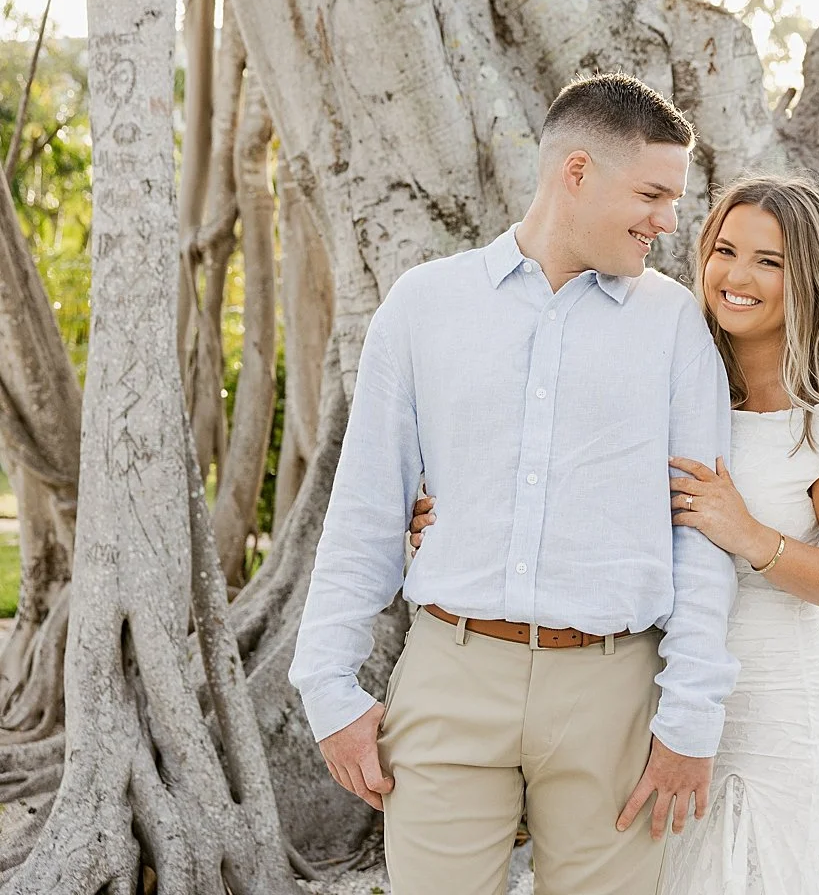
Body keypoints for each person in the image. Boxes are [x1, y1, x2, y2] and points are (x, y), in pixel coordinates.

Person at [289, 72, 740, 895]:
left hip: (615, 690)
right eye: (651, 193)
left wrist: (691, 718)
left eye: (674, 200)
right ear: (575, 172)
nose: (668, 222)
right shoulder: (425, 305)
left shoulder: (674, 324)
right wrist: (328, 686)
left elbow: (701, 533)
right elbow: (363, 508)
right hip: (451, 676)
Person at [412, 174, 819, 893]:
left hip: (766, 702)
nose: (736, 277)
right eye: (725, 251)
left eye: (768, 261)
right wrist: (444, 514)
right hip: (642, 685)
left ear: (809, 277)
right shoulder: (662, 365)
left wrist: (749, 535)